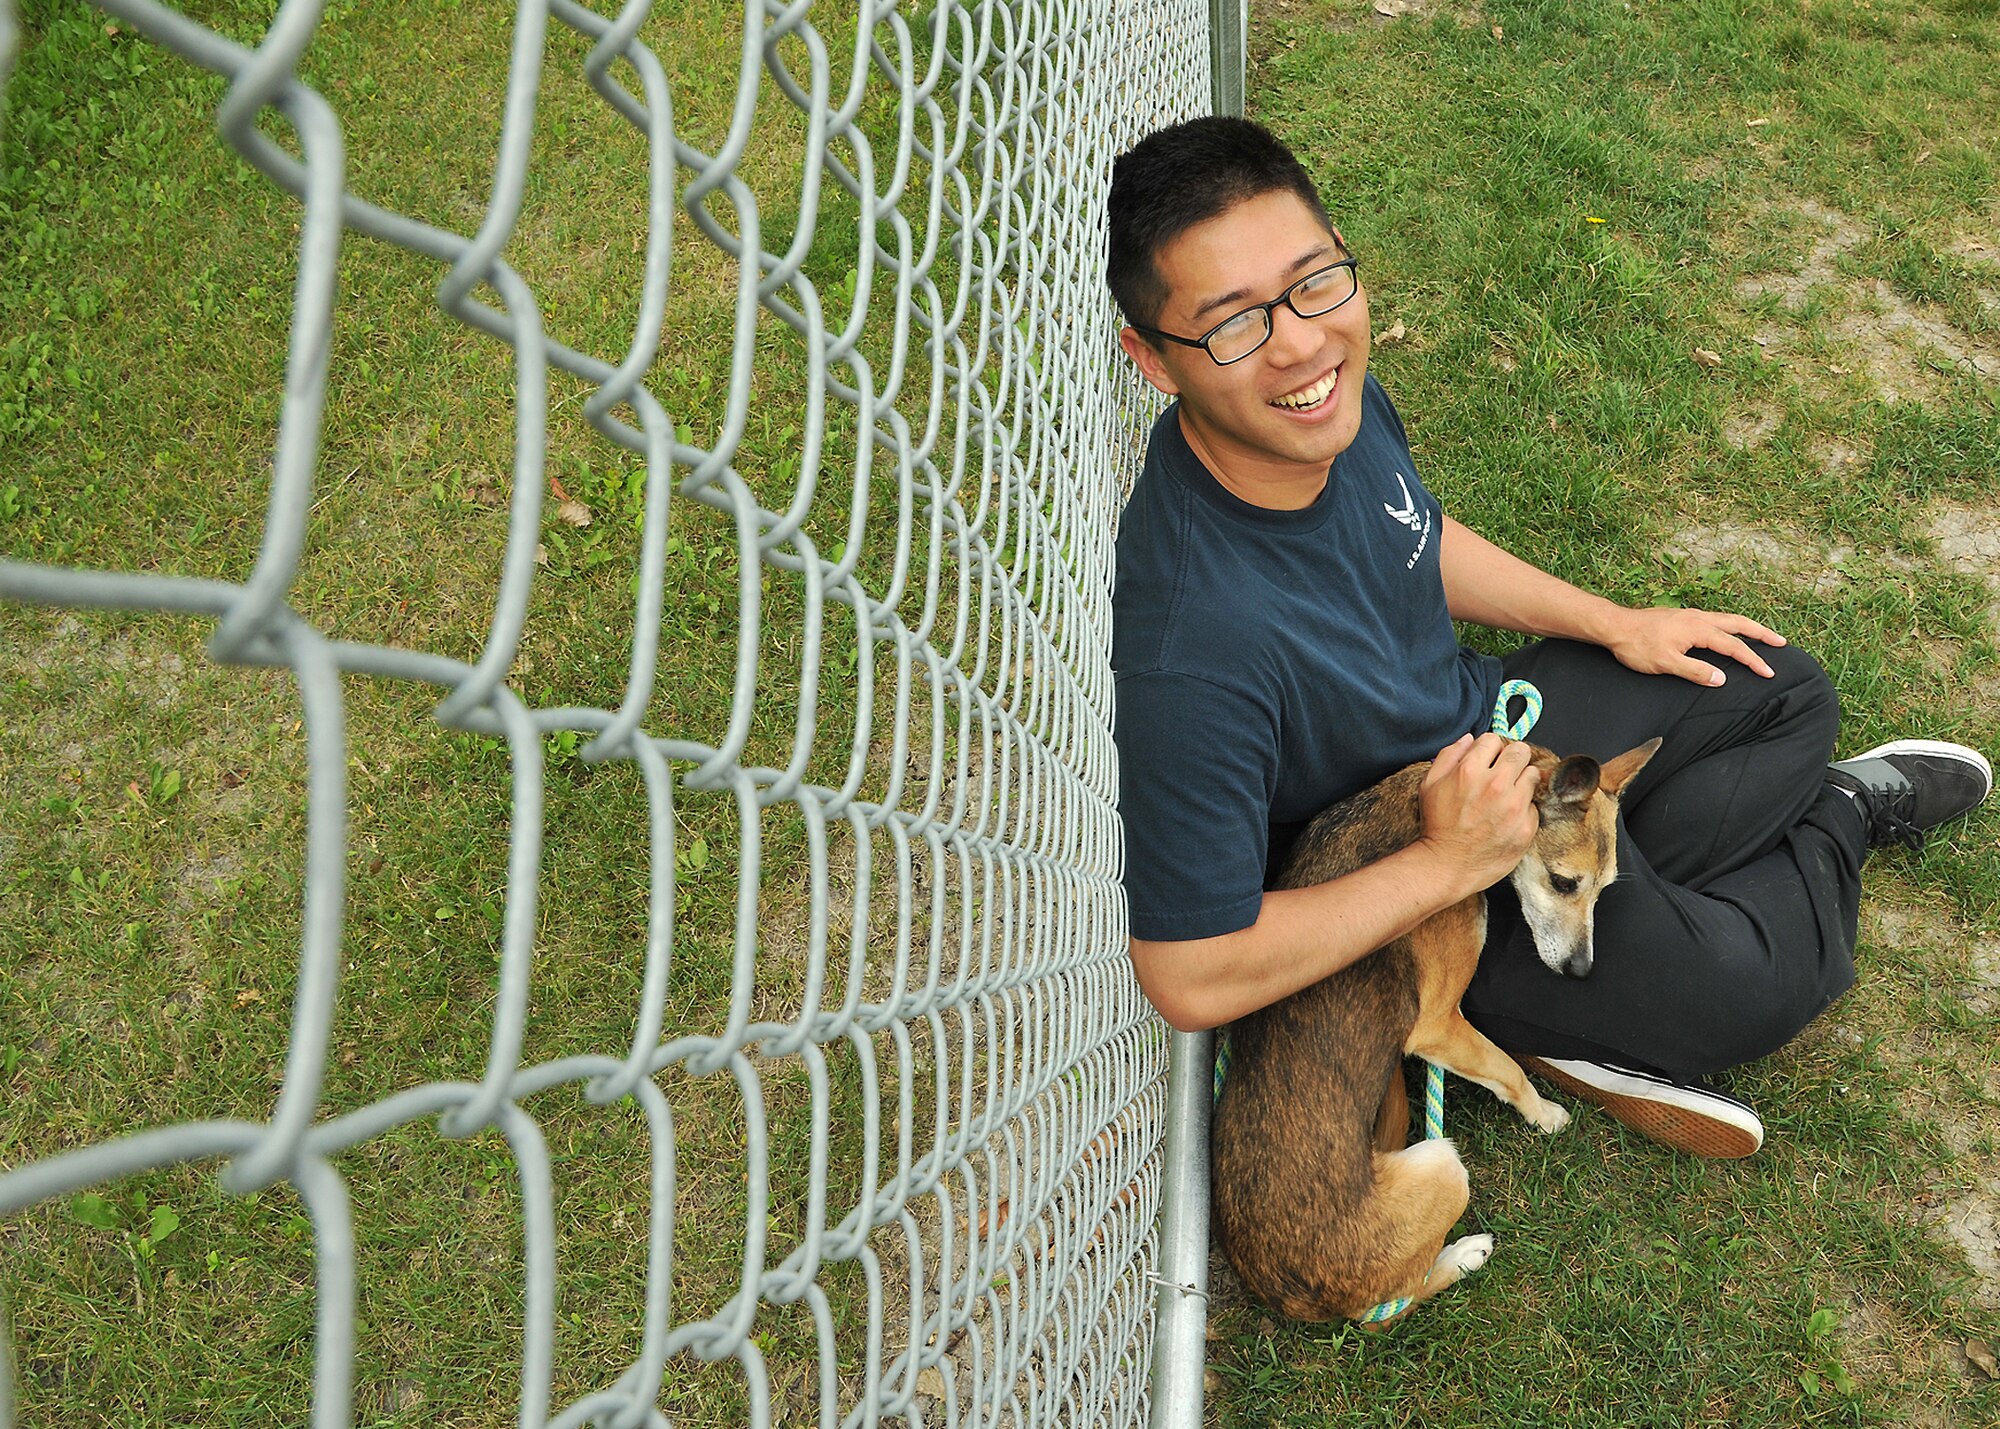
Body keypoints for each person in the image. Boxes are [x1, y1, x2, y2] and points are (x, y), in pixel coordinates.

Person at [1105, 116, 1991, 1158]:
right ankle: (1825, 819)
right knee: (1748, 992)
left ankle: (1611, 929)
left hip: (1491, 732)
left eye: (1312, 282)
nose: (1299, 343)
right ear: (1154, 361)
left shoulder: (1323, 404)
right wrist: (1447, 863)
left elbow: (1413, 537)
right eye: (1233, 324)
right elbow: (1188, 972)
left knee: (1772, 683)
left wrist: (1613, 622)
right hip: (1415, 873)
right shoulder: (1190, 648)